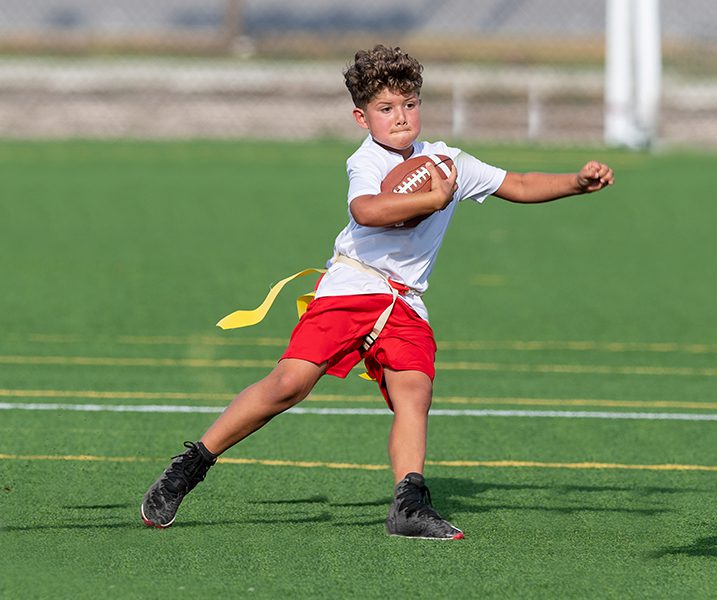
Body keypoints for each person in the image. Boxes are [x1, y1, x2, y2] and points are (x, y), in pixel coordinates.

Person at [140, 44, 614, 540]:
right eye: (386, 109)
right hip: (354, 284)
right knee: (289, 384)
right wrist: (433, 198)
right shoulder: (365, 161)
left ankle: (409, 503)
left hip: (404, 299)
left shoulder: (446, 161)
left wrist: (576, 182)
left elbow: (515, 182)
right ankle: (190, 466)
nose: (401, 117)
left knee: (415, 390)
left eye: (410, 104)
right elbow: (367, 210)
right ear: (361, 117)